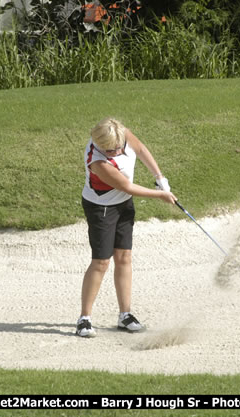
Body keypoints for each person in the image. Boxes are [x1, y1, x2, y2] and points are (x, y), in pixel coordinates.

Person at [77, 117, 177, 338]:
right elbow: (127, 186)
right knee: (101, 262)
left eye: (118, 148)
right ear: (101, 146)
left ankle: (125, 315)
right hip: (101, 209)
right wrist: (161, 194)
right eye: (110, 151)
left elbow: (140, 149)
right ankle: (84, 318)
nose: (117, 152)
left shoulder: (120, 134)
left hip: (123, 205)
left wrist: (160, 178)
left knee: (124, 257)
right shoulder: (98, 162)